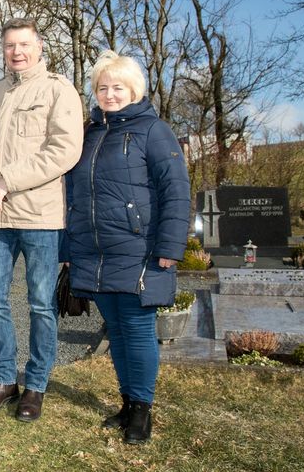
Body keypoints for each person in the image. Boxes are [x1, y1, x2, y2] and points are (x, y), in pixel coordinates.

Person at [66, 50, 190, 444]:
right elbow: (72, 193)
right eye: (102, 87)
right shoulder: (88, 134)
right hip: (94, 249)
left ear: (134, 89)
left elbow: (176, 190)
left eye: (117, 87)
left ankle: (141, 410)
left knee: (137, 330)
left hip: (139, 249)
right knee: (116, 331)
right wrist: (67, 248)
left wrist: (170, 245)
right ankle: (126, 401)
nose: (109, 94)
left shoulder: (155, 131)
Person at [0, 18, 83, 422]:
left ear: (39, 48)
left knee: (40, 304)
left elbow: (65, 151)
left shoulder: (58, 89)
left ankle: (36, 385)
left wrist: (7, 179)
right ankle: (4, 379)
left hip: (39, 214)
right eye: (9, 46)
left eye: (23, 44)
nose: (16, 52)